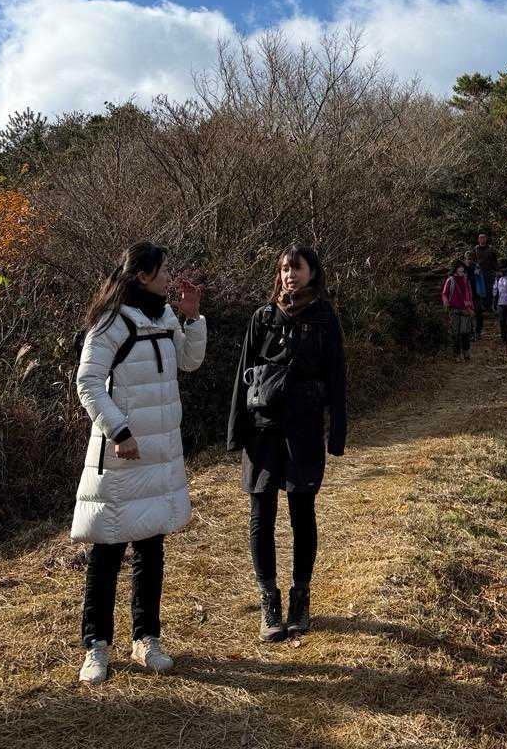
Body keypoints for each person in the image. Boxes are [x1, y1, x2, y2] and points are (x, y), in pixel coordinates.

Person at [72, 241, 207, 686]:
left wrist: (192, 317)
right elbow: (88, 382)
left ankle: (146, 639)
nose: (169, 277)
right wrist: (120, 431)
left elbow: (189, 362)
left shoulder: (165, 317)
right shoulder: (111, 321)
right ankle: (96, 645)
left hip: (160, 453)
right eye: (163, 270)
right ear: (143, 275)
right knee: (107, 551)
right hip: (121, 457)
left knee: (151, 547)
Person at [227, 244, 347, 643]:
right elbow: (242, 374)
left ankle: (300, 598)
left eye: (297, 268)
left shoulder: (325, 318)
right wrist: (235, 431)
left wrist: (337, 432)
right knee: (261, 513)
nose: (289, 275)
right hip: (262, 429)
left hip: (304, 427)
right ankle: (269, 600)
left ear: (313, 272)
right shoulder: (263, 317)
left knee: (302, 512)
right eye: (284, 269)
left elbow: (336, 377)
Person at [442, 259, 475, 362]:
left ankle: (466, 353)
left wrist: (471, 308)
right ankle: (456, 355)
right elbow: (444, 294)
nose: (462, 270)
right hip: (454, 310)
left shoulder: (465, 280)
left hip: (465, 310)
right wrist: (446, 303)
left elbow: (469, 294)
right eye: (460, 268)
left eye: (463, 268)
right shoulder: (450, 280)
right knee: (455, 334)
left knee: (465, 333)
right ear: (455, 269)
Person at [463, 250, 486, 339]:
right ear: (465, 258)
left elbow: (481, 279)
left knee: (479, 312)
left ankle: (478, 331)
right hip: (466, 294)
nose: (469, 260)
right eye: (468, 258)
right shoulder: (462, 268)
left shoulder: (476, 266)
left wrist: (482, 292)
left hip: (476, 293)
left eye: (471, 258)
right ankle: (470, 332)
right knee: (468, 314)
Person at [473, 232, 499, 313]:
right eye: (480, 238)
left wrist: (497, 270)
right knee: (480, 289)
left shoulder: (491, 249)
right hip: (479, 273)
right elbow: (473, 260)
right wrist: (474, 269)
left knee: (490, 289)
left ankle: (489, 306)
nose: (482, 239)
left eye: (484, 238)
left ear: (486, 239)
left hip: (489, 272)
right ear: (478, 239)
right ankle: (482, 306)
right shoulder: (475, 249)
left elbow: (495, 260)